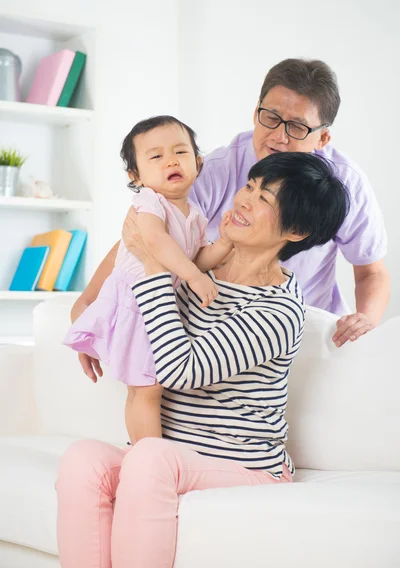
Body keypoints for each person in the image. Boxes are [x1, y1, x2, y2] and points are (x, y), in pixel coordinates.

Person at [57, 151, 350, 568]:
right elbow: (133, 280)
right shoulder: (198, 269)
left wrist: (156, 267)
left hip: (244, 466)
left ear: (297, 230)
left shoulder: (279, 310)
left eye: (265, 199)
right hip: (169, 457)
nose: (245, 200)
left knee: (149, 456)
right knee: (82, 459)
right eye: (250, 186)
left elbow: (181, 368)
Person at [189, 58, 390, 347]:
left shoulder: (344, 184)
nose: (278, 137)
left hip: (310, 329)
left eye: (296, 127)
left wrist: (365, 320)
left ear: (323, 138)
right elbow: (149, 234)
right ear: (255, 111)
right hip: (222, 323)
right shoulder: (217, 169)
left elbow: (371, 271)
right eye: (270, 117)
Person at [63, 115, 233, 442]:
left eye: (180, 152)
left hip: (155, 306)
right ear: (135, 176)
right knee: (147, 388)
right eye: (156, 156)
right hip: (134, 303)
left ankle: (147, 455)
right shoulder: (149, 202)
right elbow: (154, 241)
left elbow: (194, 256)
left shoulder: (195, 215)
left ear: (198, 163)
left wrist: (223, 244)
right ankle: (147, 455)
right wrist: (194, 277)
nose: (170, 160)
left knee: (149, 387)